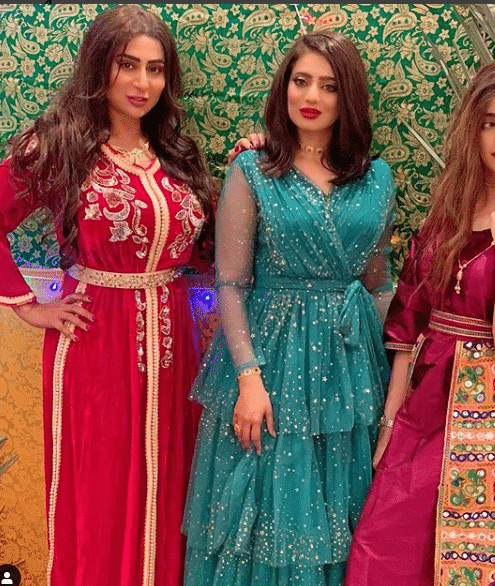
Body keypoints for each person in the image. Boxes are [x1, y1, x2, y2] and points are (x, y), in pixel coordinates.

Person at [0, 6, 216, 586]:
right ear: (98, 67)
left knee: (172, 486)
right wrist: (29, 306)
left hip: (174, 347)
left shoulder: (175, 153)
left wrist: (246, 169)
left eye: (155, 70)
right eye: (127, 65)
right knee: (101, 490)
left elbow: (204, 248)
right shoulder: (60, 145)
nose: (142, 83)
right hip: (95, 342)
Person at [344, 56, 495, 586]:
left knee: (481, 560)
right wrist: (390, 422)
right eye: (488, 122)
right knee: (383, 550)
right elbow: (408, 322)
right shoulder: (448, 214)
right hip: (425, 405)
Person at [181, 30, 397, 586]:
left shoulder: (377, 177)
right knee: (263, 503)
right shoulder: (253, 169)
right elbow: (231, 283)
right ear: (284, 88)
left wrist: (393, 376)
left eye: (329, 86)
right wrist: (248, 378)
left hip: (351, 363)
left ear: (349, 97)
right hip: (271, 358)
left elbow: (378, 284)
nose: (312, 96)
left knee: (342, 503)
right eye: (301, 81)